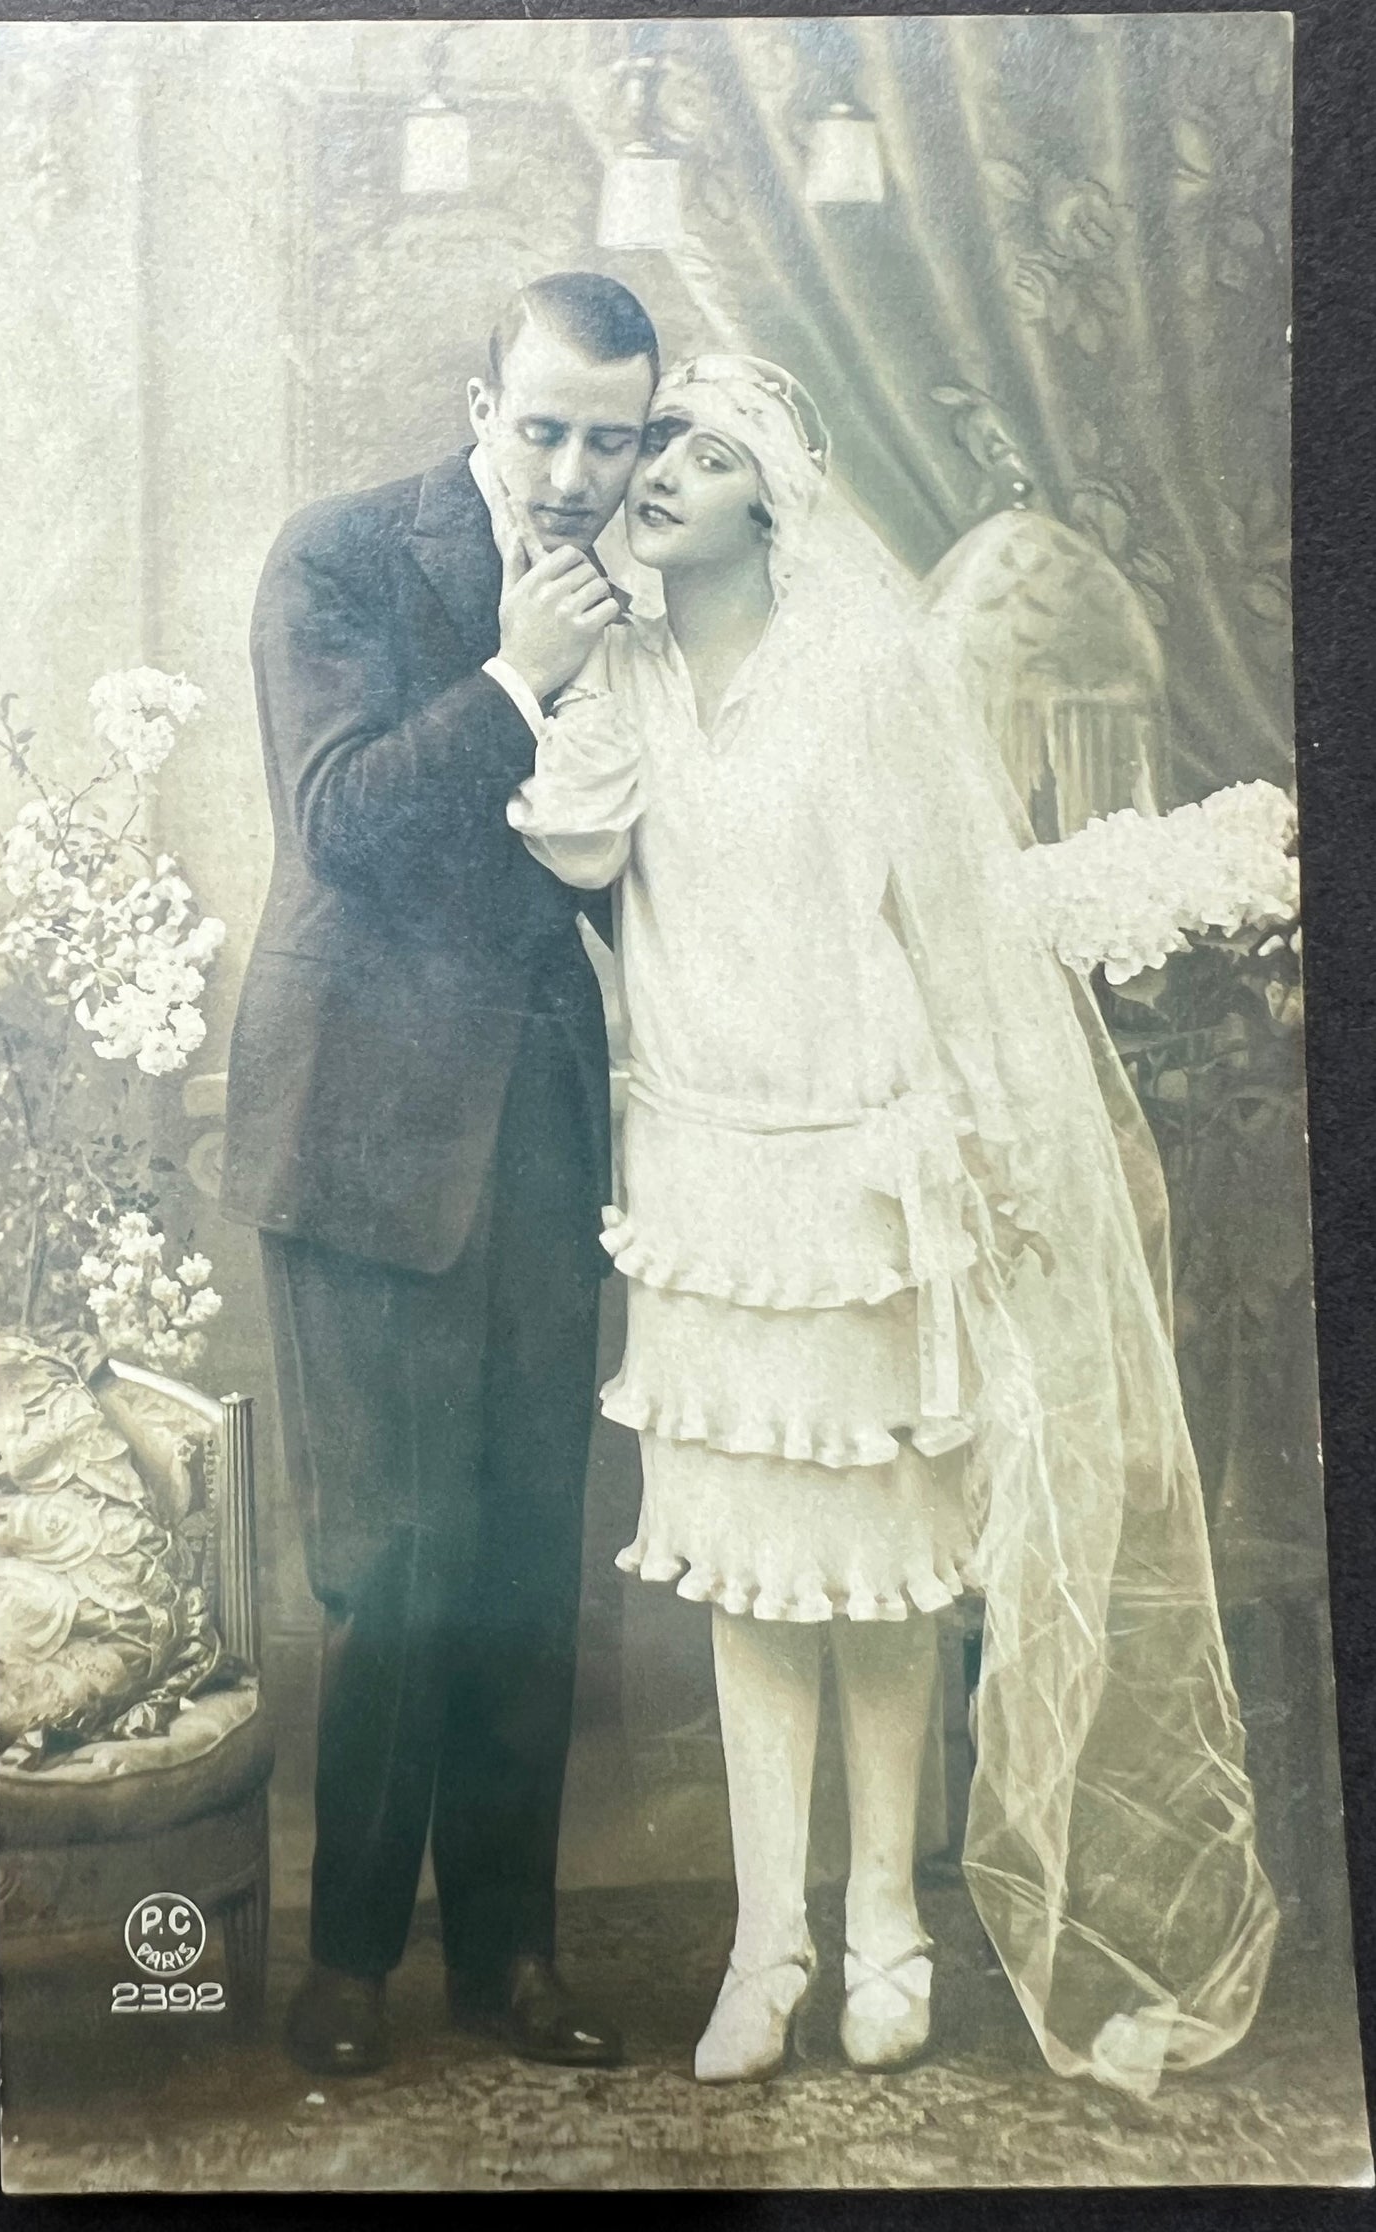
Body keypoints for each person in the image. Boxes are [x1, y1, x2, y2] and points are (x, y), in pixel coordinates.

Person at [506, 355, 1278, 2094]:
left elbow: (956, 929)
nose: (659, 482)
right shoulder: (620, 666)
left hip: (865, 1174)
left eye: (706, 459)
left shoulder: (863, 668)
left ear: (774, 497)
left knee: (885, 1577)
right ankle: (761, 1949)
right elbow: (568, 850)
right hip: (703, 1185)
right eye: (658, 453)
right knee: (751, 1576)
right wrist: (543, 649)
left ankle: (888, 1935)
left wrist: (995, 1155)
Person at [220, 272, 659, 2075]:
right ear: (482, 404)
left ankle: (511, 1965)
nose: (572, 473)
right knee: (387, 1568)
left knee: (520, 1565)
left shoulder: (637, 591)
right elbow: (337, 819)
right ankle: (347, 1969)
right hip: (363, 1126)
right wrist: (515, 677)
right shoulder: (335, 556)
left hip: (545, 1122)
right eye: (544, 427)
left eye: (610, 440)